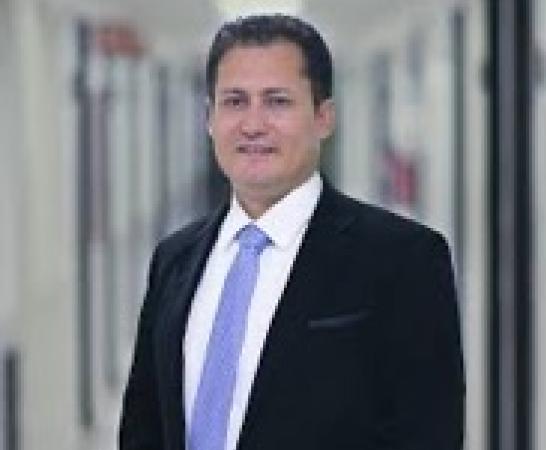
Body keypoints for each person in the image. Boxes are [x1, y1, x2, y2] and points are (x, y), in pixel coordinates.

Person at [119, 14, 464, 450]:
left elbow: (427, 436)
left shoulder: (403, 260)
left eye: (277, 101)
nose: (253, 125)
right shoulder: (174, 260)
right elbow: (143, 428)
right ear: (209, 118)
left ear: (323, 117)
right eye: (235, 101)